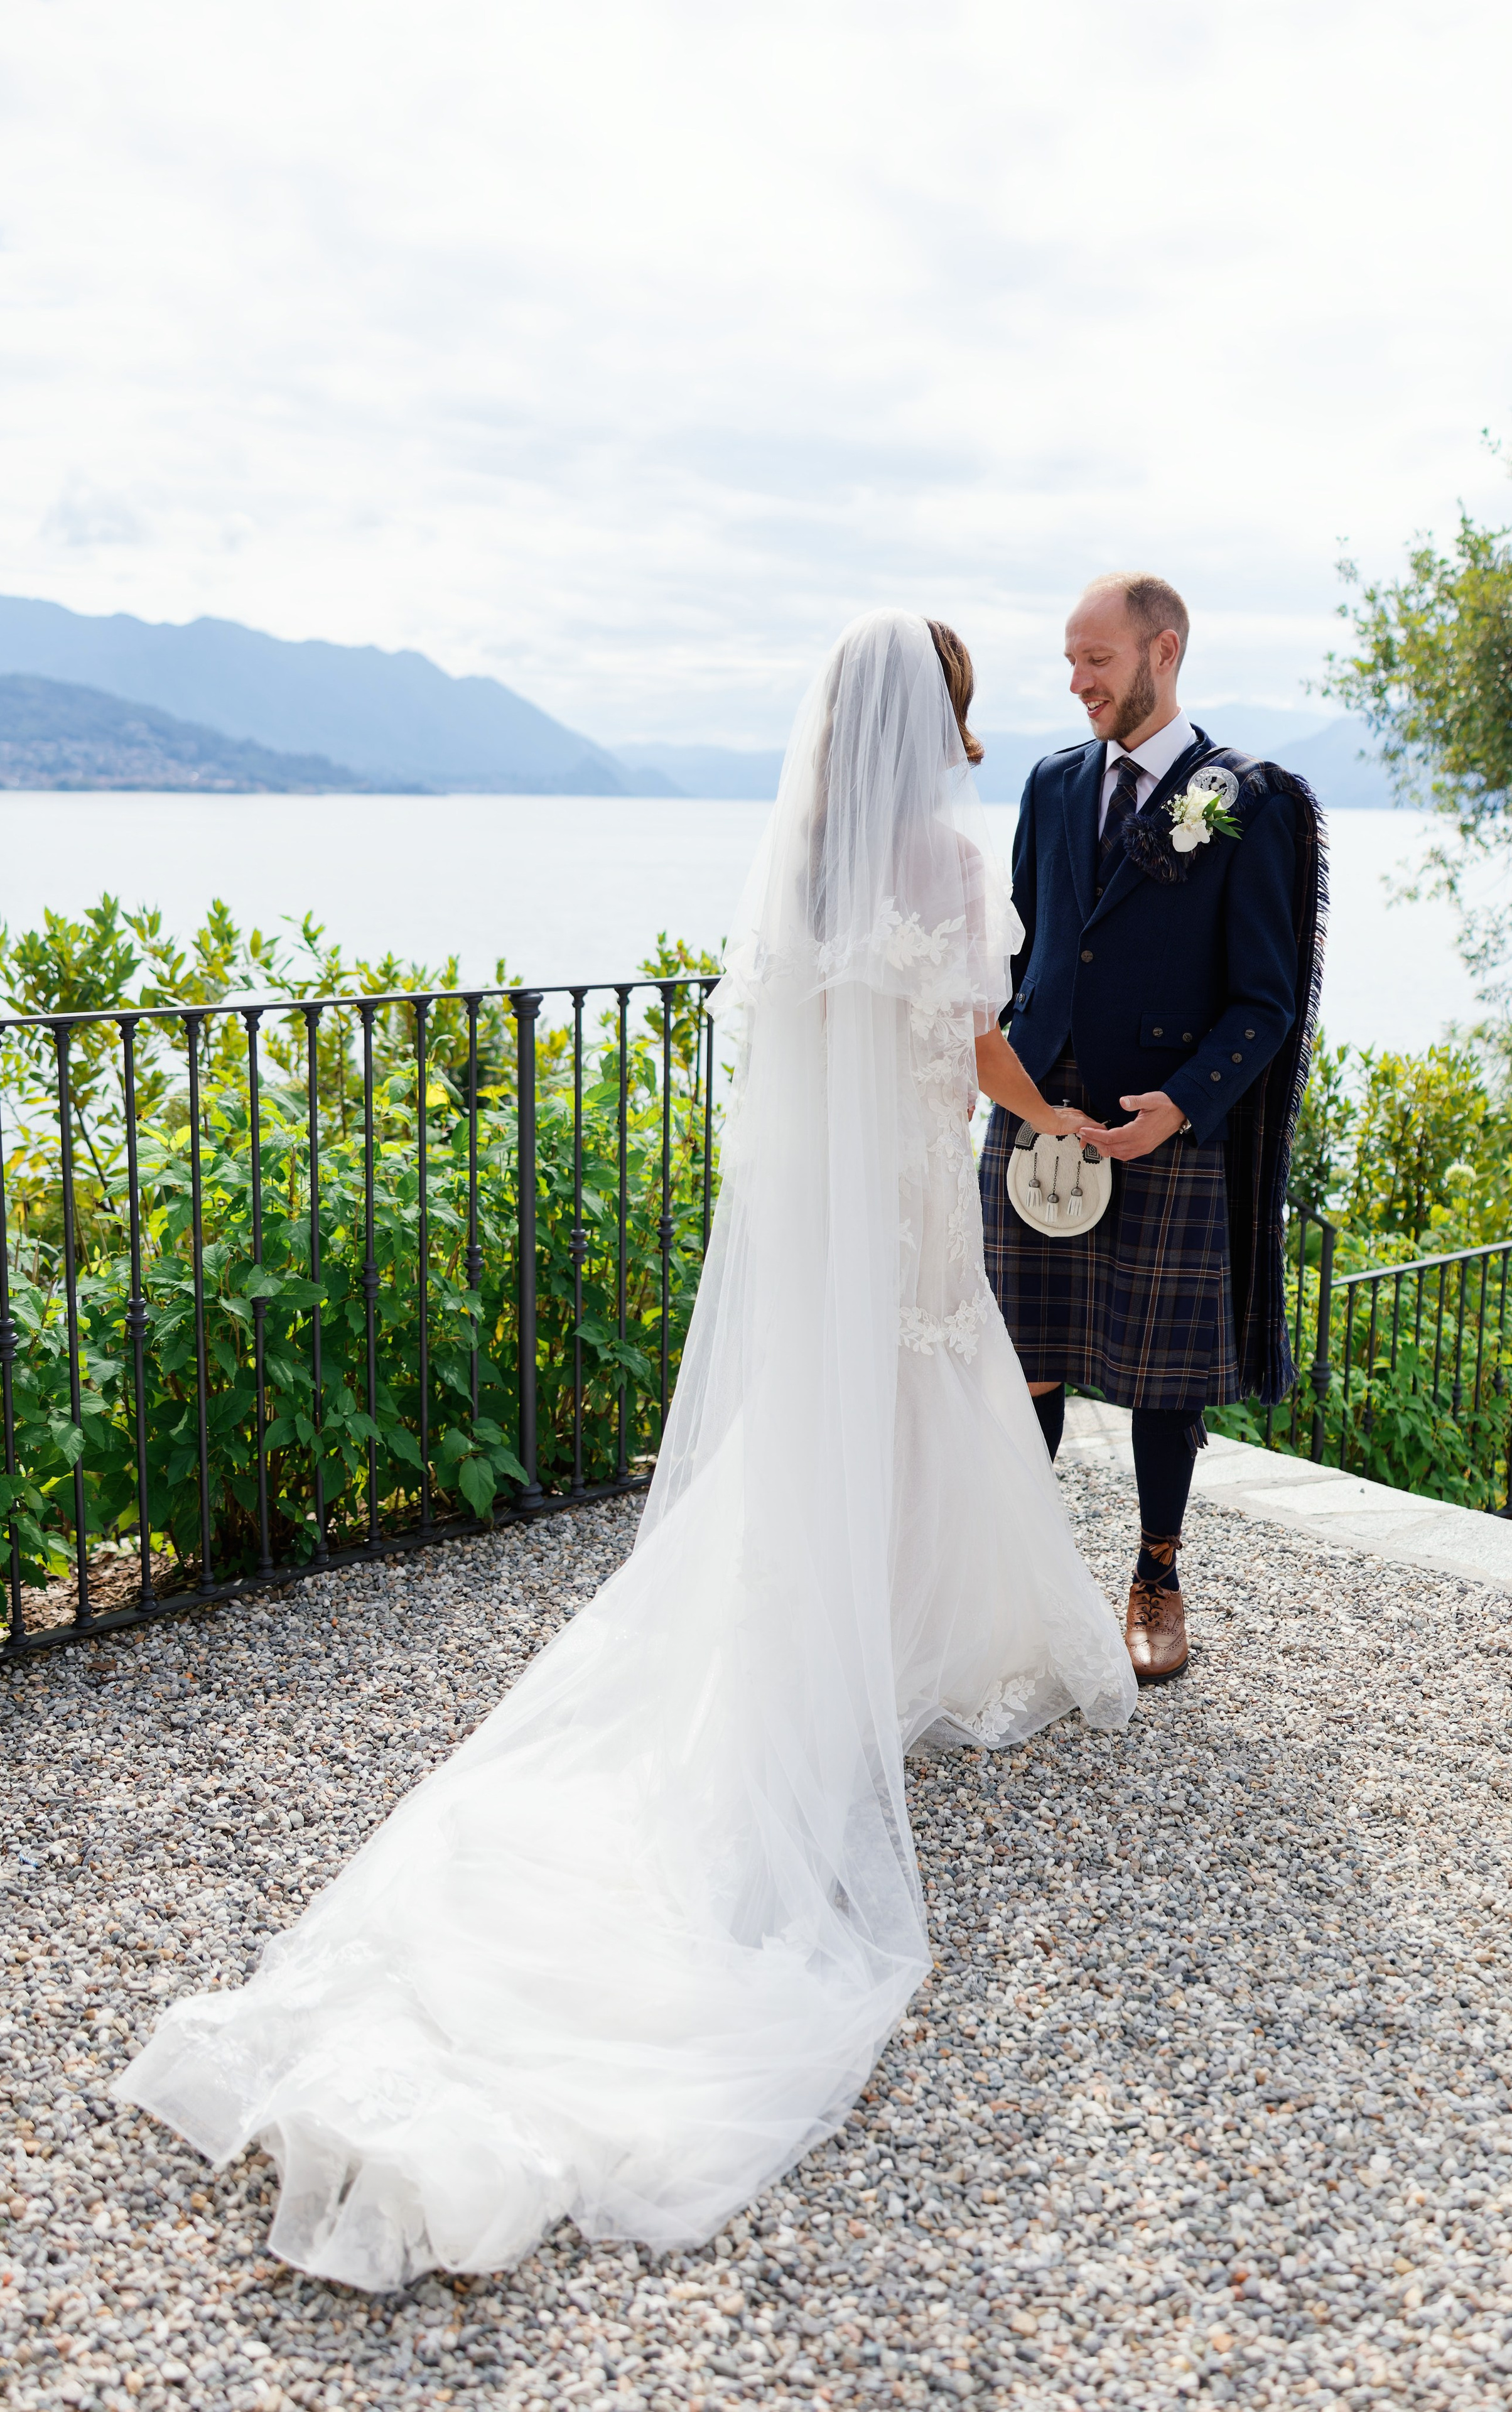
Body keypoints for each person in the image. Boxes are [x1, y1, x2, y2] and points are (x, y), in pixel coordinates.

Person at [114, 609, 1135, 2289]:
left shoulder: (800, 861)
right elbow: (968, 1044)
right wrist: (1056, 1119)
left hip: (820, 1218)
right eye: (964, 699)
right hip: (900, 1204)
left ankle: (849, 1640)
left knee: (833, 1438)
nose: (975, 720)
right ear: (932, 714)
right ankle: (903, 1654)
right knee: (929, 1408)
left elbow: (797, 1053)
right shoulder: (946, 861)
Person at [978, 573, 1327, 1685]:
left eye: (1098, 661)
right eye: (1070, 662)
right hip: (1039, 1105)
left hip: (1160, 1118)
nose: (1076, 681)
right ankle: (1022, 1583)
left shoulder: (1250, 800)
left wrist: (1183, 1101)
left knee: (1160, 1372)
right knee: (1019, 1354)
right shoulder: (1049, 782)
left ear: (1162, 652)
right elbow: (1031, 942)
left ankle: (1156, 1574)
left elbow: (1267, 998)